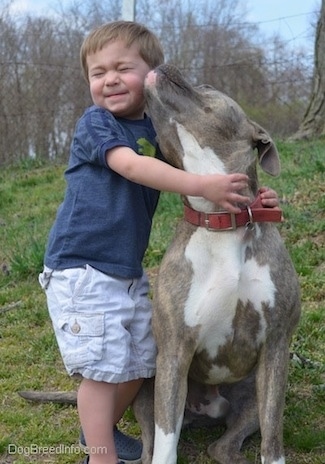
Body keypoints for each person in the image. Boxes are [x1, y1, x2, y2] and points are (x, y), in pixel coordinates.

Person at [39, 21, 279, 464]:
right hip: (82, 268)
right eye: (97, 72)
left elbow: (208, 154)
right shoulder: (98, 124)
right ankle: (100, 453)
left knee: (138, 364)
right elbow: (132, 168)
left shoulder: (153, 129)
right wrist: (201, 184)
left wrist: (252, 195)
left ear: (150, 75)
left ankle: (98, 429)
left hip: (124, 271)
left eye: (122, 68)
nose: (109, 79)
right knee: (101, 371)